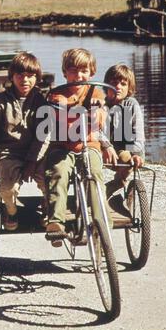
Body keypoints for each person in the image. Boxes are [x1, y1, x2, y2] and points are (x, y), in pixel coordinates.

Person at [45, 48, 111, 246]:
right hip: (62, 147)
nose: (79, 76)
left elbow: (101, 114)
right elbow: (57, 108)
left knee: (95, 172)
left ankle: (101, 218)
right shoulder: (57, 94)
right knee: (58, 171)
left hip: (88, 145)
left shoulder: (96, 92)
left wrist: (97, 108)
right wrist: (64, 105)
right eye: (73, 71)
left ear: (92, 73)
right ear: (65, 73)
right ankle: (56, 222)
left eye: (84, 71)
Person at [0, 52, 49, 231]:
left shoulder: (42, 102)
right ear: (12, 76)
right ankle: (11, 210)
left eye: (30, 75)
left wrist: (32, 161)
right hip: (10, 153)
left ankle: (47, 205)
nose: (25, 80)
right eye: (20, 75)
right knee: (8, 189)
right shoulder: (0, 102)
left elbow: (44, 135)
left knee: (52, 179)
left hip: (37, 153)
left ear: (37, 78)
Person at [103, 63, 145, 213]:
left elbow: (137, 132)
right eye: (113, 83)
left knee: (128, 161)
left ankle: (113, 190)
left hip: (123, 148)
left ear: (129, 88)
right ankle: (94, 194)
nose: (118, 87)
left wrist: (136, 154)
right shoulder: (101, 104)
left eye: (123, 84)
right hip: (102, 147)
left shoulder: (131, 104)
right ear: (106, 85)